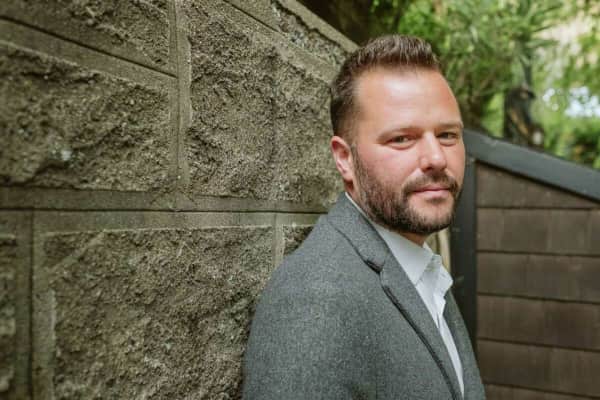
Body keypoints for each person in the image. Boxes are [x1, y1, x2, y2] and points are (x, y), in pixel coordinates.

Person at [243, 35, 485, 400]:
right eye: (402, 139)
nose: (436, 158)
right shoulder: (314, 304)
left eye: (448, 135)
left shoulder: (418, 263)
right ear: (345, 159)